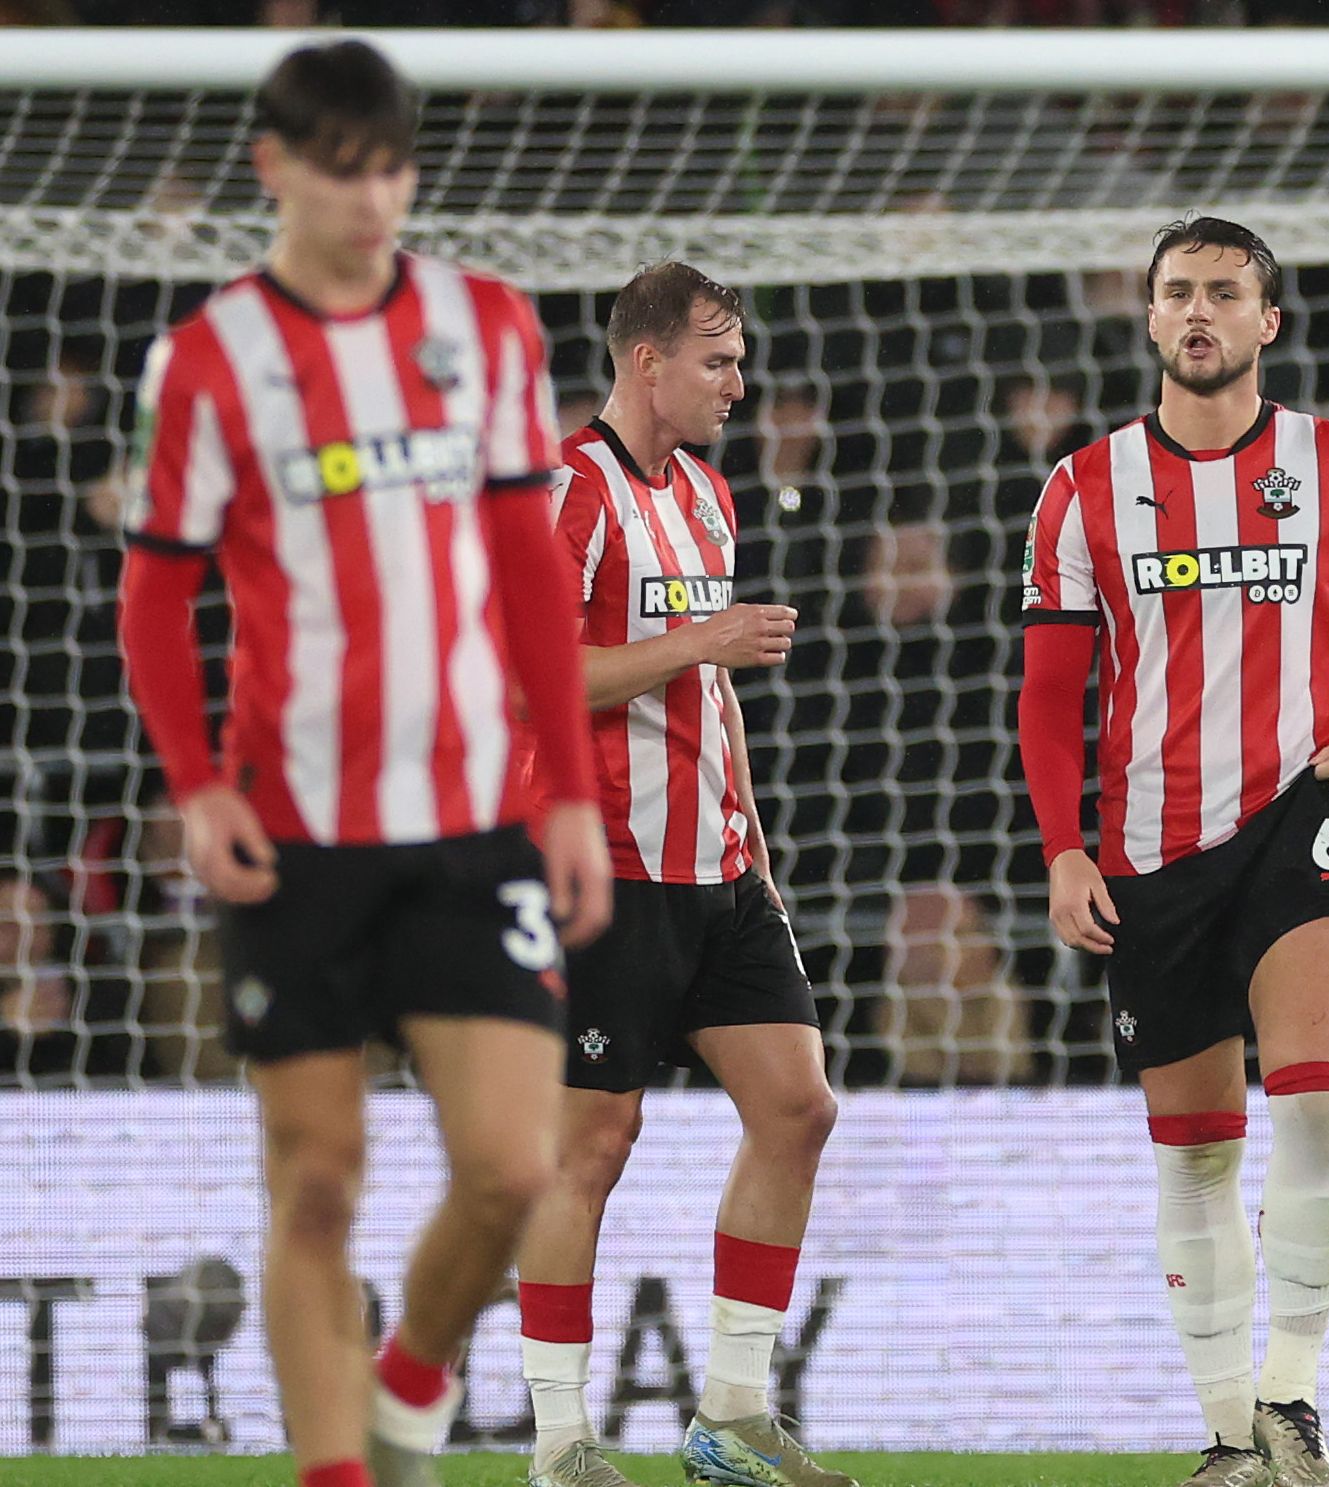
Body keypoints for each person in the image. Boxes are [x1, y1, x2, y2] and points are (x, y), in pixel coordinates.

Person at [113, 39, 611, 1487]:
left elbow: (527, 564)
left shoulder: (488, 327)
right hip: (296, 831)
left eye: (392, 167)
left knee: (516, 1168)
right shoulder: (215, 360)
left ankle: (409, 1377)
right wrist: (197, 780)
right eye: (343, 169)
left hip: (471, 820)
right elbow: (156, 590)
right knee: (317, 1180)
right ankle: (346, 1470)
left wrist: (568, 790)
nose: (373, 198)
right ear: (275, 168)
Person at [1017, 216, 1329, 1487]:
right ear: (1152, 316)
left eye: (1225, 292)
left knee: (1316, 1104)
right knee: (1194, 1152)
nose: (1199, 312)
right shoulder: (1082, 485)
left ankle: (1292, 1392)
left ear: (1266, 323)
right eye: (1179, 292)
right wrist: (1064, 849)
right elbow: (1048, 689)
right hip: (1149, 847)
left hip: (1302, 810)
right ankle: (1233, 1432)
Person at [510, 263, 854, 1487]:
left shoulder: (709, 497)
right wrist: (703, 638)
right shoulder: (571, 488)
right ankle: (559, 1439)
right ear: (645, 359)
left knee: (799, 1106)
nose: (736, 382)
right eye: (715, 358)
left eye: (738, 358)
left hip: (715, 866)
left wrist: (751, 828)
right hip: (601, 864)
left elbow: (706, 689)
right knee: (592, 1140)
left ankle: (732, 1415)